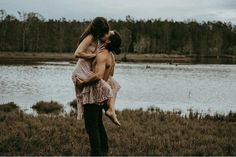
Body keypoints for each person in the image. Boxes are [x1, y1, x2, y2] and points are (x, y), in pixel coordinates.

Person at [76, 30, 122, 156]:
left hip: (95, 92)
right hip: (102, 94)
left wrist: (82, 83)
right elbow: (110, 75)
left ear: (108, 41)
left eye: (108, 33)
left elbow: (98, 76)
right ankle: (104, 150)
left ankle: (96, 153)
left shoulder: (102, 55)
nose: (105, 33)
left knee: (91, 127)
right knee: (98, 123)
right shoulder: (111, 56)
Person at [71, 17, 121, 126]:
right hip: (81, 72)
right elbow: (77, 53)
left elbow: (111, 34)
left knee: (113, 84)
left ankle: (111, 110)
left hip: (87, 71)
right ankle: (106, 109)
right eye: (104, 32)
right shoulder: (90, 37)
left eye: (107, 32)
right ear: (98, 31)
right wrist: (94, 55)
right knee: (106, 86)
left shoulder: (100, 39)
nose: (106, 34)